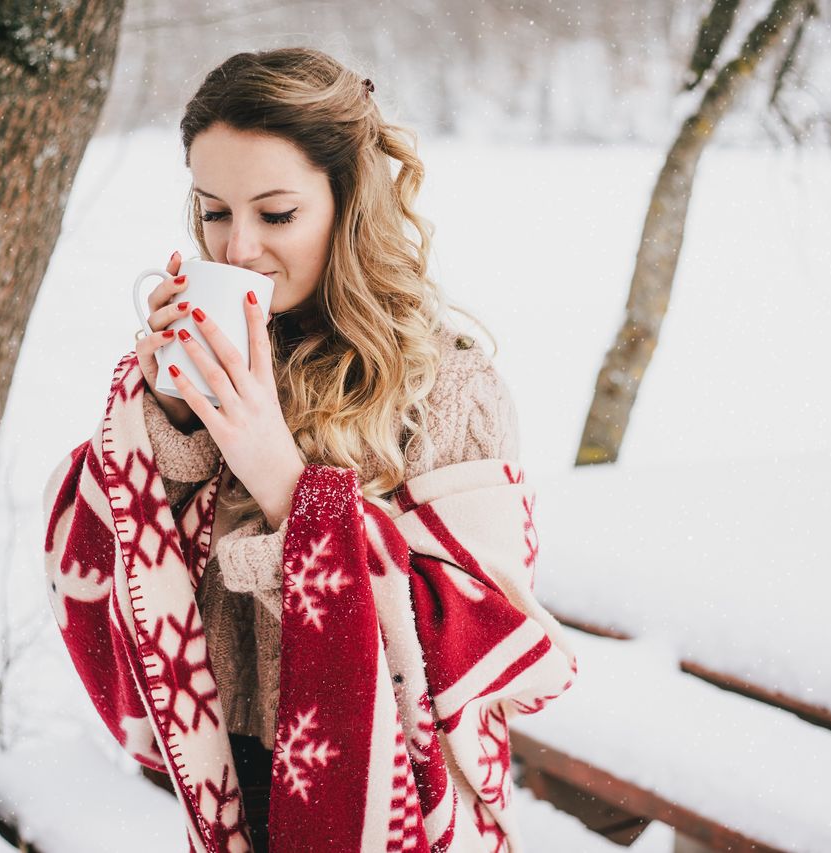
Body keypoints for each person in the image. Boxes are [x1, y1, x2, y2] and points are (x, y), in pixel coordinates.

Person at [43, 47, 576, 853]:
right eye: (214, 210)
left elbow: (486, 646)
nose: (238, 250)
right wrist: (170, 419)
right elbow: (112, 573)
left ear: (349, 202)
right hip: (231, 788)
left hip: (390, 799)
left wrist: (282, 477)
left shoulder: (450, 385)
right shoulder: (211, 360)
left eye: (276, 214)